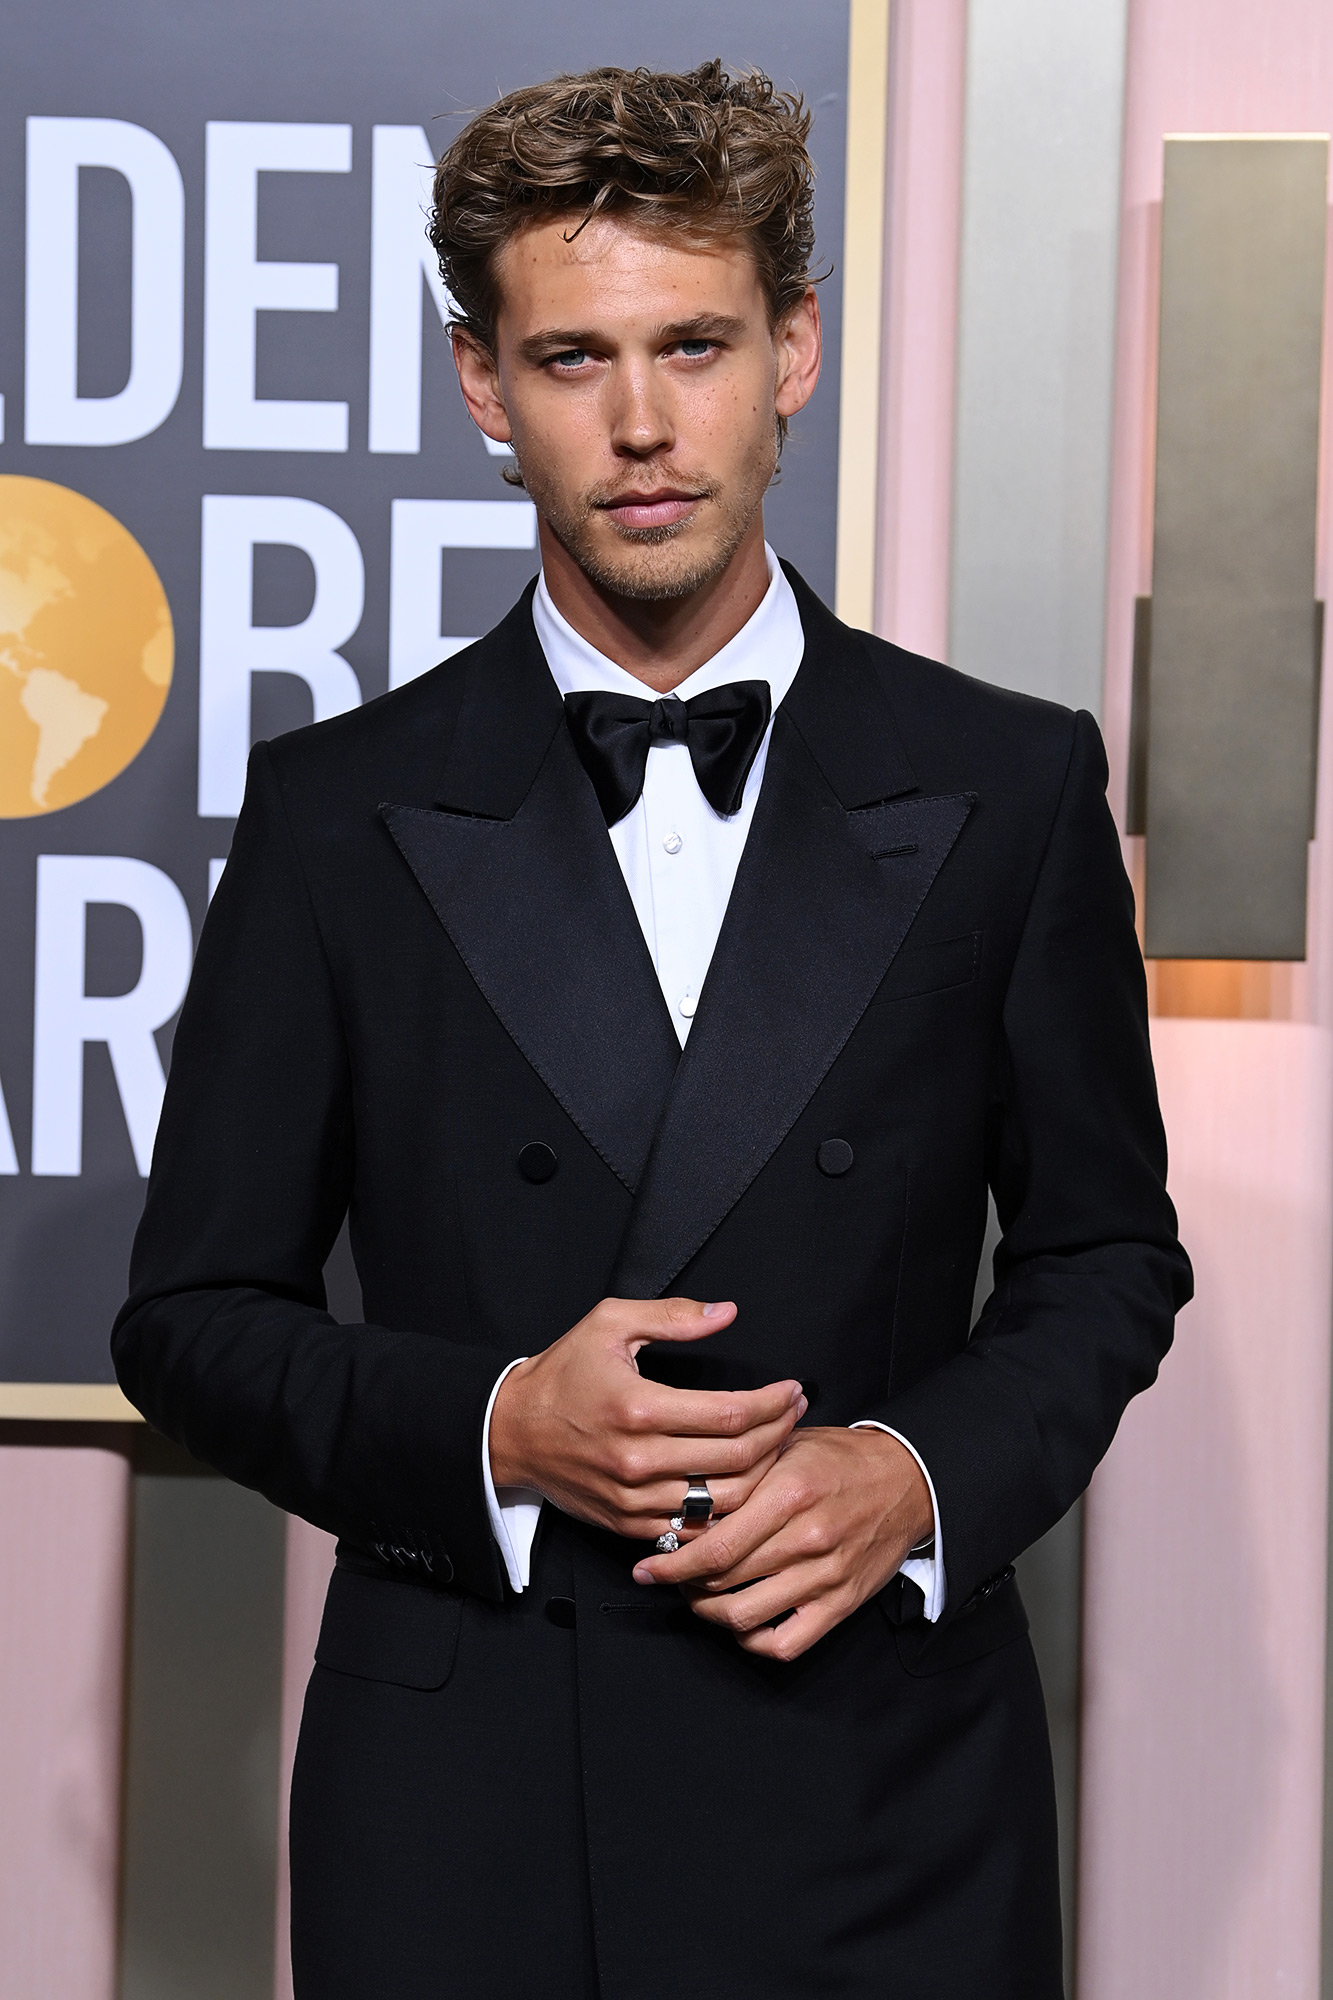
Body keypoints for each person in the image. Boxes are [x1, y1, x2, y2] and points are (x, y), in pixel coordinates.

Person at [113, 59, 1191, 1999]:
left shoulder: (1006, 784)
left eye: (691, 345)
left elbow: (1105, 1255)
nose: (636, 427)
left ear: (793, 348)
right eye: (569, 358)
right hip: (470, 1798)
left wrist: (915, 1475)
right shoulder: (339, 811)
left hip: (879, 1782)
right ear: (480, 387)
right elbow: (191, 1317)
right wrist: (498, 1423)